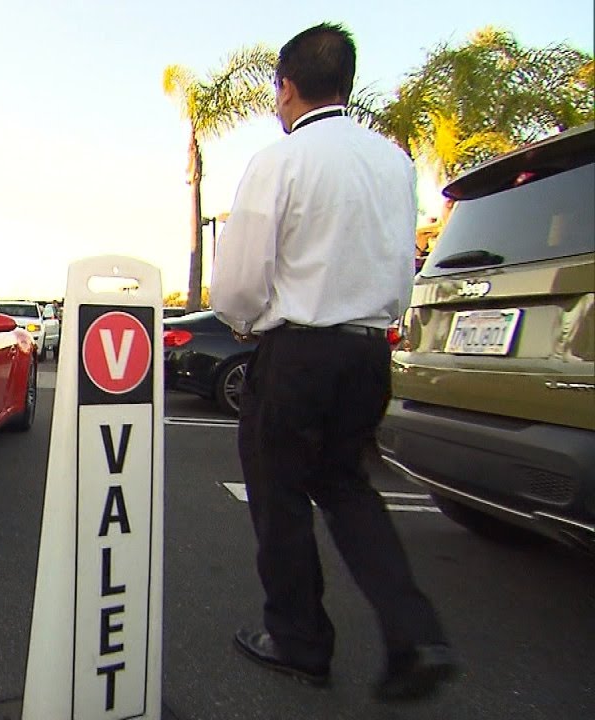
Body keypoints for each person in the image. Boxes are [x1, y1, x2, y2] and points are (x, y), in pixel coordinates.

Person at [210, 23, 455, 703]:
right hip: (368, 350)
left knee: (279, 494)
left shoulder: (281, 160)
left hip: (299, 353)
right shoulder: (393, 162)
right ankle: (416, 634)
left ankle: (298, 641)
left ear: (286, 88)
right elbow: (399, 265)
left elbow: (239, 279)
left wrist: (245, 324)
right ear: (344, 84)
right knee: (348, 488)